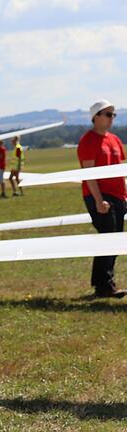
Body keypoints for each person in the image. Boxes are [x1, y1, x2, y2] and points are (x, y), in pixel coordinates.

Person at [78, 99, 127, 298]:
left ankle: (102, 284)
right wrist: (99, 201)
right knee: (108, 238)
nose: (111, 118)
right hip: (99, 195)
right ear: (95, 117)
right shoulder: (88, 141)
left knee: (114, 240)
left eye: (113, 114)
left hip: (118, 196)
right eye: (108, 114)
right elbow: (88, 174)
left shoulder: (114, 139)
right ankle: (104, 286)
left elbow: (120, 169)